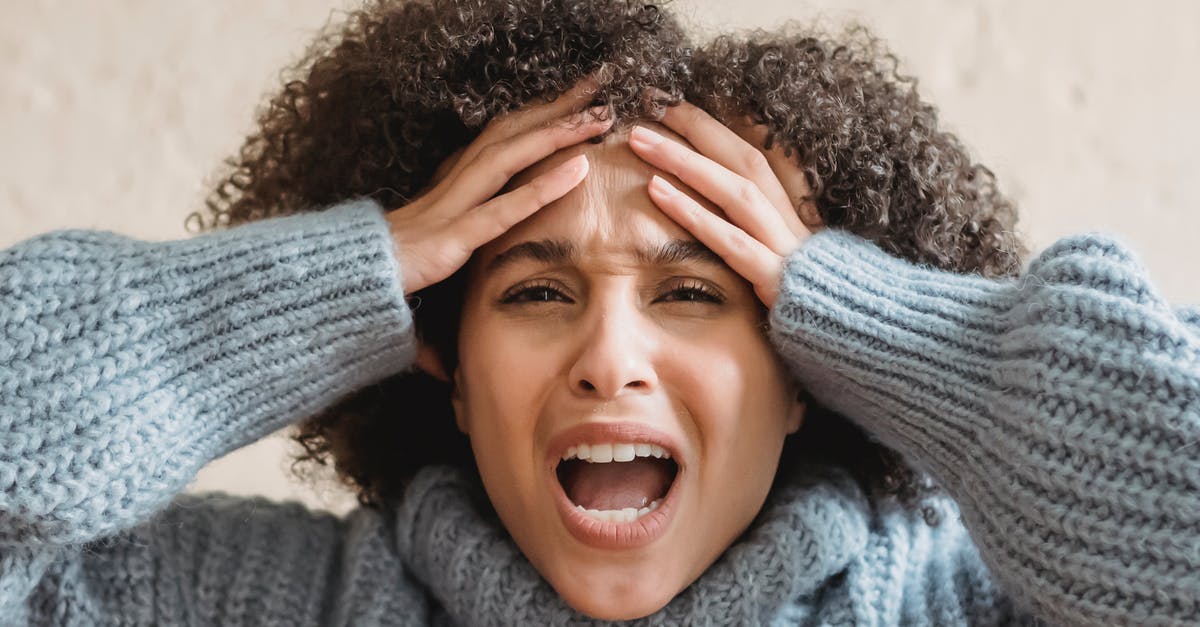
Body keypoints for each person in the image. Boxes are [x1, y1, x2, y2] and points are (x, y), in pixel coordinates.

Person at [2, 0, 1197, 625]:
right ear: (447, 366)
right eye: (533, 291)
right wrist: (340, 279)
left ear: (808, 371)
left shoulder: (956, 608)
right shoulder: (250, 605)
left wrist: (875, 316)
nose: (609, 358)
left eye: (693, 292)